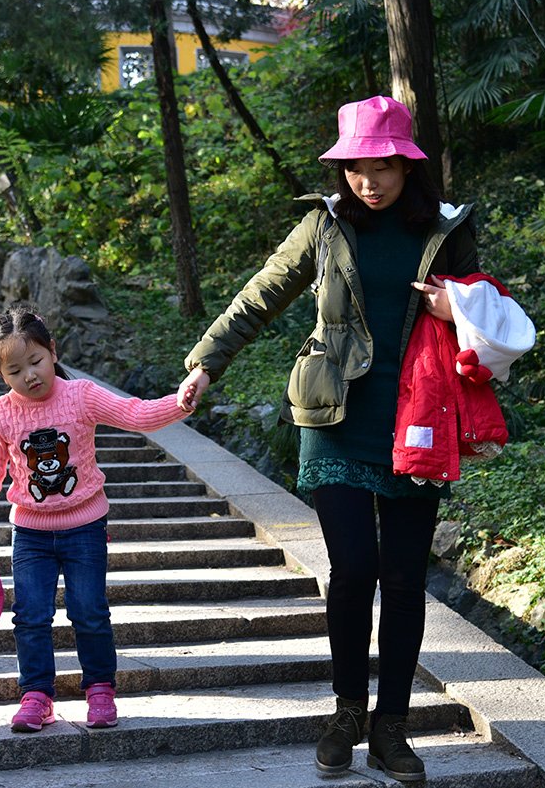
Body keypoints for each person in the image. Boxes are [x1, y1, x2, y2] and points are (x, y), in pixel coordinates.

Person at [177, 96, 480, 783]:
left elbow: (489, 313)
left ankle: (392, 728)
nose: (367, 182)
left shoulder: (445, 229)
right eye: (354, 168)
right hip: (333, 416)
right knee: (354, 569)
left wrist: (455, 304)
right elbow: (263, 293)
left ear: (407, 164)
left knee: (404, 579)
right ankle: (347, 710)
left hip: (417, 421)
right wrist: (204, 363)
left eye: (381, 168)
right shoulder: (325, 222)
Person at [0, 306, 196, 733]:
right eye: (15, 370)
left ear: (53, 351)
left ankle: (100, 689)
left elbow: (134, 414)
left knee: (89, 611)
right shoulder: (1, 413)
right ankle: (37, 695)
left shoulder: (80, 395)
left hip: (84, 527)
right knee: (29, 615)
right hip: (30, 532)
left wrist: (179, 402)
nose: (30, 375)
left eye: (37, 361)